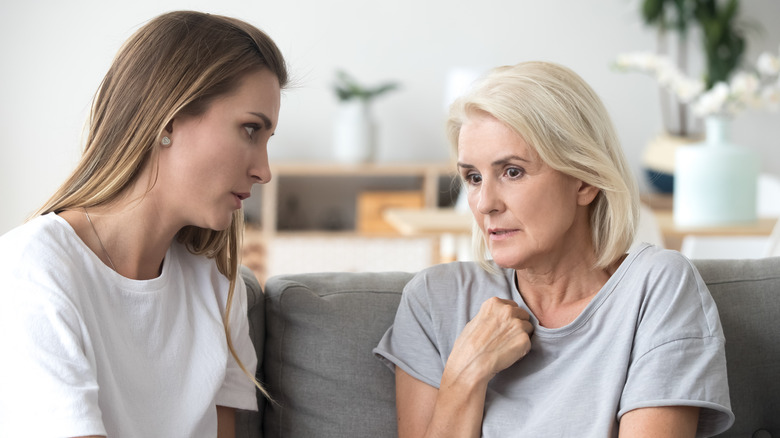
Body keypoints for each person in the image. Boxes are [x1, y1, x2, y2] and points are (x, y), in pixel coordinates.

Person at [374, 61, 733, 437]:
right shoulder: (434, 300)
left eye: (512, 171)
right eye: (474, 178)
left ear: (584, 181)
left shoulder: (656, 287)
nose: (484, 203)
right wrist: (465, 375)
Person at [0, 11, 287, 437]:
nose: (263, 171)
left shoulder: (218, 287)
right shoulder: (34, 269)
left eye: (266, 140)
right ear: (168, 118)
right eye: (249, 129)